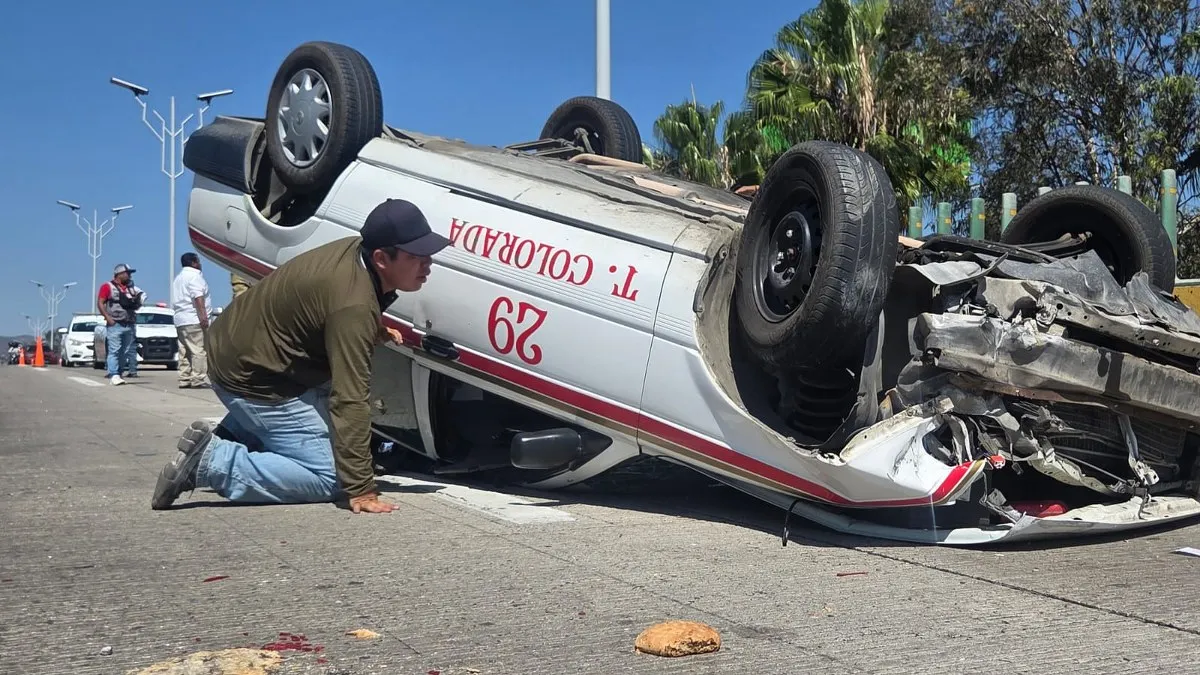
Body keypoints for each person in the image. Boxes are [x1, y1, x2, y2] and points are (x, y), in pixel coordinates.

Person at [150, 198, 451, 514]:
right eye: (416, 256)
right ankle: (211, 462)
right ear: (381, 258)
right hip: (252, 375)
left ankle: (233, 435)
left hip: (243, 348)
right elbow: (349, 397)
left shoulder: (355, 252)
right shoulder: (354, 305)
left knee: (336, 426)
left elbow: (331, 306)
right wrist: (360, 487)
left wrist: (373, 329)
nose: (428, 264)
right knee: (331, 477)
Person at [97, 263, 147, 385]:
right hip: (115, 324)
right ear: (119, 274)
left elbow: (139, 300)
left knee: (125, 351)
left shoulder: (131, 288)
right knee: (114, 350)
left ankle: (119, 373)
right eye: (127, 273)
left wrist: (138, 301)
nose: (130, 276)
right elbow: (100, 302)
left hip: (129, 324)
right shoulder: (107, 286)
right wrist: (108, 318)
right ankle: (113, 374)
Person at [170, 252, 212, 388]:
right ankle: (197, 379)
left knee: (184, 350)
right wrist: (203, 316)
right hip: (193, 318)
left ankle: (184, 378)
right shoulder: (195, 277)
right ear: (194, 263)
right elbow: (198, 297)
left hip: (180, 319)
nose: (200, 264)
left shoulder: (178, 278)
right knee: (198, 350)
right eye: (198, 261)